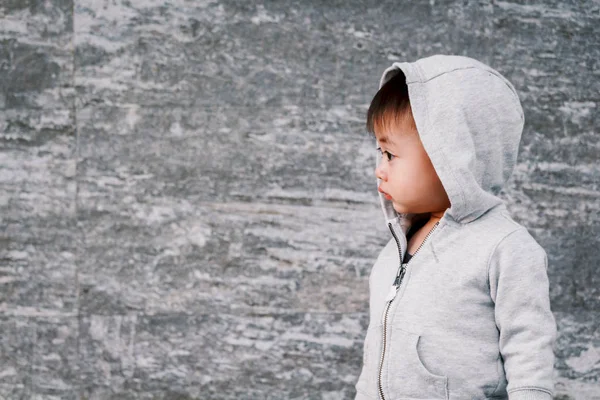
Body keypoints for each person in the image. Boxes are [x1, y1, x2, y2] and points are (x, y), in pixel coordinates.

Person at [354, 54, 557, 400]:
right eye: (379, 152)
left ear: (450, 155)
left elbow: (529, 349)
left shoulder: (504, 247)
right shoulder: (396, 248)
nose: (379, 168)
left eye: (391, 155)